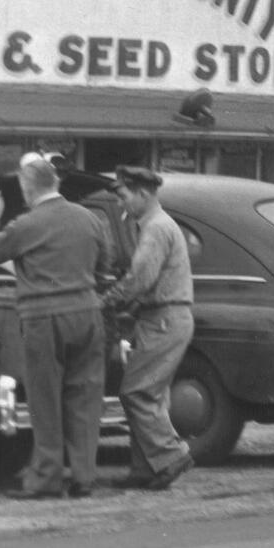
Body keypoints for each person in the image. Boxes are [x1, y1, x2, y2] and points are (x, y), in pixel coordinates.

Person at [0, 152, 108, 498]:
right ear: (57, 183)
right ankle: (83, 476)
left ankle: (46, 478)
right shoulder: (91, 219)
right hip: (87, 313)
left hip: (43, 318)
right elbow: (105, 268)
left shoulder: (26, 224)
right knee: (84, 397)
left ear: (26, 187)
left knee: (45, 399)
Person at [101, 165, 196, 490]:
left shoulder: (154, 228)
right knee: (151, 396)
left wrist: (108, 300)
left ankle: (171, 455)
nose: (121, 203)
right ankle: (146, 470)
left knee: (136, 392)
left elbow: (140, 278)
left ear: (142, 193)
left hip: (163, 319)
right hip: (167, 317)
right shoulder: (158, 224)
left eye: (124, 195)